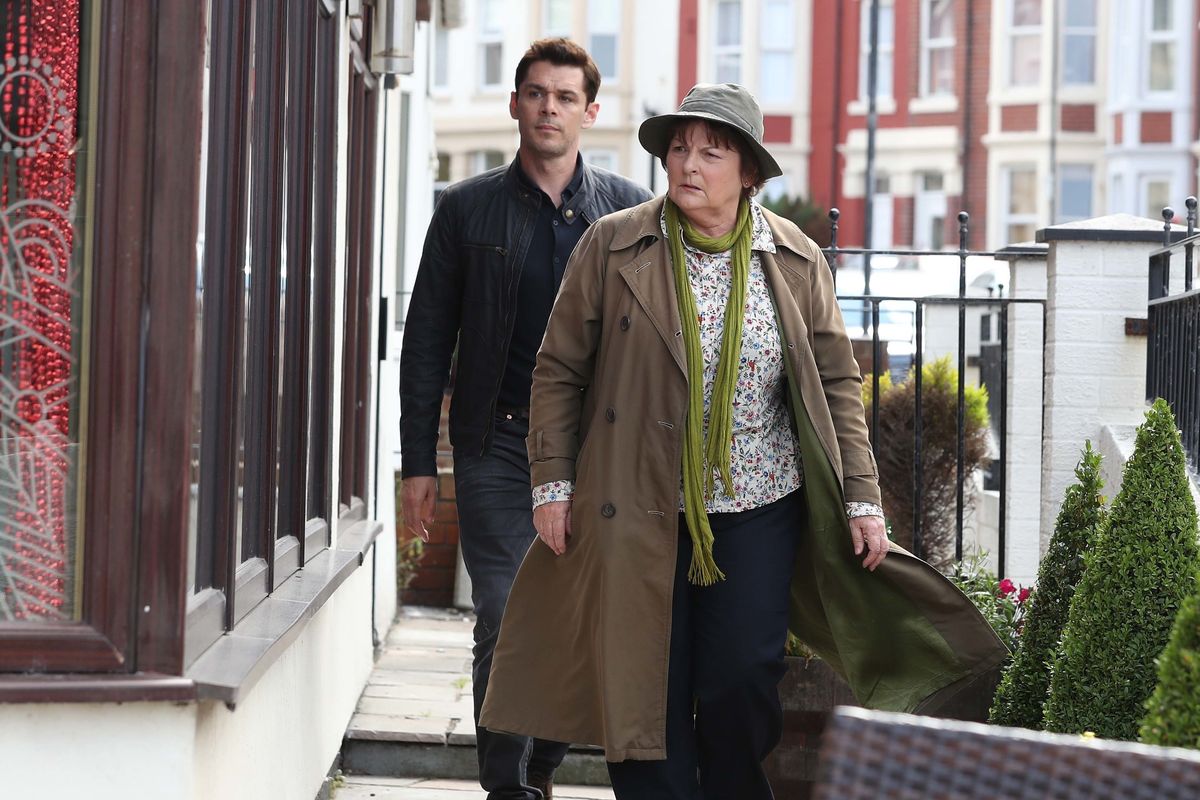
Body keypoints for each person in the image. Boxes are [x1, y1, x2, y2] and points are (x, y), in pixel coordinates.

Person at [479, 83, 1009, 799]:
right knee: (643, 690)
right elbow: (558, 368)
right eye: (678, 148)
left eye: (711, 151)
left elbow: (837, 383)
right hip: (636, 507)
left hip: (760, 509)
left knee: (741, 683)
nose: (688, 164)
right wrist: (552, 483)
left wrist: (862, 496)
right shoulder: (615, 244)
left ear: (750, 172)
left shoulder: (793, 259)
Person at [399, 38, 651, 800]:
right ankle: (505, 787)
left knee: (576, 623)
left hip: (595, 450)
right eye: (536, 93)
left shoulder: (630, 212)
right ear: (515, 104)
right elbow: (426, 342)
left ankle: (542, 765)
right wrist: (418, 464)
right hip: (496, 444)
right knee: (506, 612)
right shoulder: (466, 211)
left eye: (565, 96)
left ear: (590, 112)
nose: (549, 107)